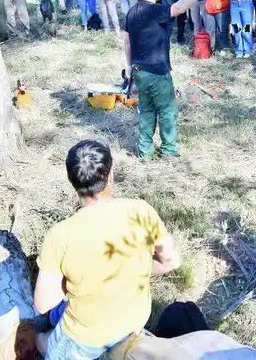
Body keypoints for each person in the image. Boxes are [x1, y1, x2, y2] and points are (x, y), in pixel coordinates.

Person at [35, 140, 181, 359]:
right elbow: (171, 261)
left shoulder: (59, 235)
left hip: (85, 338)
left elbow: (43, 302)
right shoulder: (142, 211)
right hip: (134, 321)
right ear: (111, 174)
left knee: (40, 339)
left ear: (71, 180)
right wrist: (133, 270)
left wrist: (76, 284)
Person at [122, 0, 222, 158]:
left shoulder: (132, 12)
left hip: (138, 70)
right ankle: (168, 151)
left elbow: (126, 41)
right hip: (157, 72)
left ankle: (145, 152)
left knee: (146, 111)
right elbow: (179, 8)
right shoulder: (154, 10)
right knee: (167, 110)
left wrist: (129, 67)